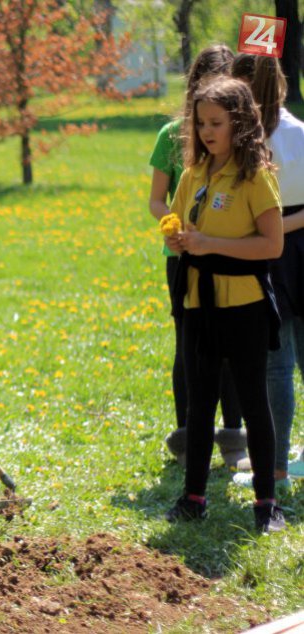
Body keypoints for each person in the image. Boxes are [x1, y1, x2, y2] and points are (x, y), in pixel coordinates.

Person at [164, 76, 285, 534]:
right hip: (199, 302)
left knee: (254, 401)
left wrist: (208, 242)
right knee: (200, 404)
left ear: (240, 123)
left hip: (245, 305)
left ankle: (266, 502)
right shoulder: (195, 174)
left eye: (216, 123)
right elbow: (180, 230)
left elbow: (272, 246)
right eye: (200, 124)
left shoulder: (255, 177)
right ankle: (193, 496)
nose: (207, 132)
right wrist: (178, 238)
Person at [148, 44, 247, 468]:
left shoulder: (241, 138)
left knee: (232, 346)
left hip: (230, 256)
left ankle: (233, 435)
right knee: (188, 345)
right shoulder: (172, 136)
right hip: (185, 258)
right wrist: (174, 228)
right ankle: (190, 433)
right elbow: (156, 200)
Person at [231, 53, 304, 487]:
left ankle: (275, 465)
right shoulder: (298, 132)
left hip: (268, 249)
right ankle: (278, 461)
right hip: (288, 243)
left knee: (276, 364)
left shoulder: (252, 141)